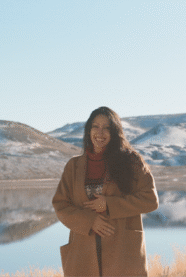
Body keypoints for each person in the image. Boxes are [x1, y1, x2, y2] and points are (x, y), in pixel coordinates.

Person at [52, 106, 159, 276]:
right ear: (89, 130)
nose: (100, 133)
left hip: (122, 253)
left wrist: (108, 205)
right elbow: (60, 205)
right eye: (96, 126)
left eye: (107, 128)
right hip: (83, 254)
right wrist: (90, 220)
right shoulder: (74, 166)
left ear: (115, 132)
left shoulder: (131, 161)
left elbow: (150, 200)